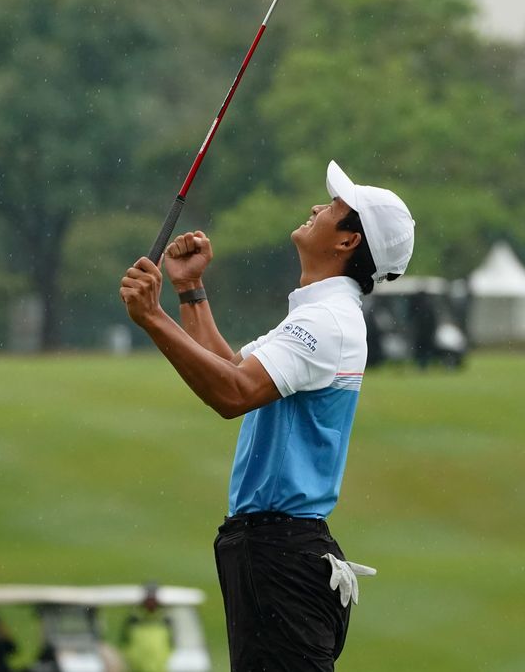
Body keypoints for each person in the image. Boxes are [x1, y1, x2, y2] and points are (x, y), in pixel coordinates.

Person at [119, 160, 414, 671]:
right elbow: (231, 367)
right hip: (275, 550)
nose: (319, 207)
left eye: (334, 207)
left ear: (348, 242)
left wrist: (152, 316)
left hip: (281, 553)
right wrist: (190, 291)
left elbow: (232, 394)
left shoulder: (328, 321)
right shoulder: (315, 314)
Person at [120, 584, 173, 672]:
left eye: (153, 599)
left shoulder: (166, 621)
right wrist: (131, 659)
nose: (150, 602)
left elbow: (171, 646)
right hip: (137, 668)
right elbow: (124, 645)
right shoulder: (133, 620)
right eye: (149, 599)